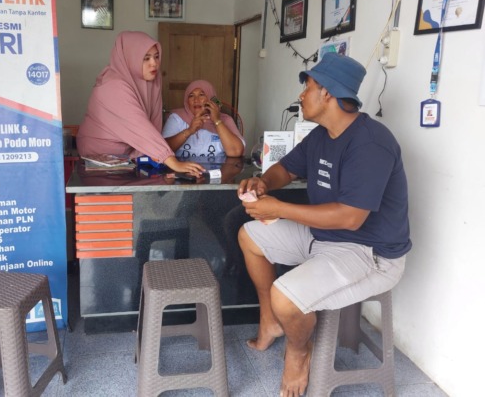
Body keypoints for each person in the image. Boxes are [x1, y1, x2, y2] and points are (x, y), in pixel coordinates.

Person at [236, 52, 411, 397]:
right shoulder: (320, 136)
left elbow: (350, 217)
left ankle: (299, 351)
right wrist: (263, 183)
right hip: (326, 238)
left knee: (286, 297)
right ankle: (269, 319)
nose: (301, 95)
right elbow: (285, 169)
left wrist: (279, 208)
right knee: (249, 236)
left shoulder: (371, 142)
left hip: (370, 253)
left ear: (327, 93)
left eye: (308, 87)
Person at [77, 31, 205, 176]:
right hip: (97, 157)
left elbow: (154, 122)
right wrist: (172, 161)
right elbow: (140, 126)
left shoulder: (153, 80)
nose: (154, 63)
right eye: (146, 58)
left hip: (126, 157)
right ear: (131, 58)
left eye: (156, 57)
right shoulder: (113, 86)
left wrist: (156, 156)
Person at [162, 80, 244, 158]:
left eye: (201, 95)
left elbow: (236, 152)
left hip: (217, 168)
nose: (196, 100)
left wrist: (217, 121)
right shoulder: (176, 118)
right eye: (191, 96)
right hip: (182, 167)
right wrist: (189, 131)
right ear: (187, 101)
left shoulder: (225, 120)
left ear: (211, 99)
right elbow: (162, 150)